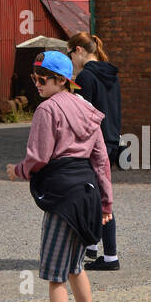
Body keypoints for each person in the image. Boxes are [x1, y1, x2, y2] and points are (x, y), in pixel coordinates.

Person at [6, 50, 112, 302]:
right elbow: (101, 160)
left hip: (61, 198)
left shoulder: (47, 110)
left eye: (43, 79)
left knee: (54, 276)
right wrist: (106, 202)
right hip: (87, 194)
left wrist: (18, 171)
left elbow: (38, 157)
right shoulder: (89, 109)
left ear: (62, 80)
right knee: (75, 267)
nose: (37, 84)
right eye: (34, 78)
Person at [67, 31, 122, 271]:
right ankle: (92, 247)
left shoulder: (86, 77)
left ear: (78, 51)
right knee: (98, 193)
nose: (70, 61)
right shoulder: (110, 73)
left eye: (70, 54)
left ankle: (110, 256)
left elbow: (81, 116)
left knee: (97, 198)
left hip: (93, 143)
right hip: (111, 139)